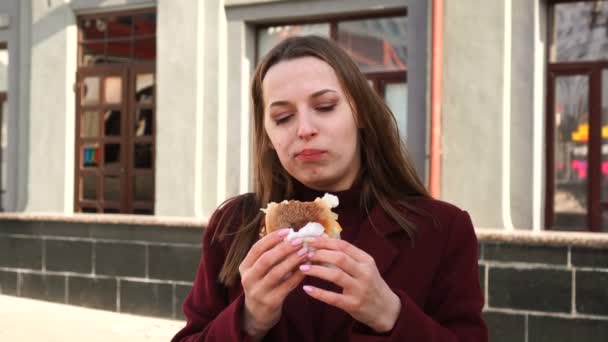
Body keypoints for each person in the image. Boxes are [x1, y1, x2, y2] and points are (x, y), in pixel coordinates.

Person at [172, 35, 487, 342]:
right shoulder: (233, 226)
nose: (305, 129)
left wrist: (391, 315)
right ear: (267, 134)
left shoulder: (443, 229)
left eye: (325, 106)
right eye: (283, 117)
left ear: (360, 112)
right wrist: (247, 321)